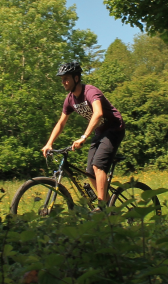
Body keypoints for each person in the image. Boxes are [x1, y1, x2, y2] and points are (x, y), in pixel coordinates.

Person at [41, 61, 125, 203]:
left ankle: (101, 205)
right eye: (62, 80)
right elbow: (61, 123)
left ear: (76, 78)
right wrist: (49, 143)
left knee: (98, 165)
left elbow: (98, 113)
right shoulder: (69, 100)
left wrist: (83, 137)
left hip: (114, 128)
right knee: (90, 171)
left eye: (66, 79)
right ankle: (109, 206)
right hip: (100, 131)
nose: (64, 83)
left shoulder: (90, 92)